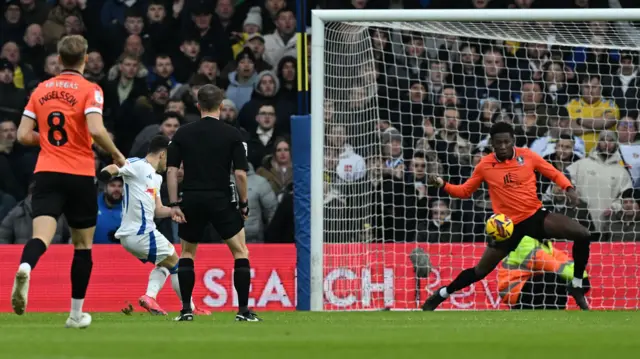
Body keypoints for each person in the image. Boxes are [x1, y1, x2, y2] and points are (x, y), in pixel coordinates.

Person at [11, 35, 125, 328]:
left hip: (47, 172)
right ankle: (75, 315)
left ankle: (26, 266)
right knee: (83, 246)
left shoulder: (41, 90)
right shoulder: (91, 90)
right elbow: (97, 130)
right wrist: (116, 154)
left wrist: (48, 140)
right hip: (80, 173)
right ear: (85, 59)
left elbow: (23, 135)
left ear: (59, 60)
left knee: (41, 236)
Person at [423, 122, 592, 311]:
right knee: (480, 271)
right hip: (507, 227)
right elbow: (464, 191)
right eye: (498, 143)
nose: (503, 147)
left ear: (513, 141)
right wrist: (442, 184)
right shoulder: (485, 165)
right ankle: (442, 294)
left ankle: (577, 285)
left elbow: (553, 173)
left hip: (534, 216)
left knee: (583, 234)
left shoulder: (527, 156)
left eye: (506, 142)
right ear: (492, 144)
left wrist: (569, 189)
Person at [167, 84, 260, 322]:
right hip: (220, 198)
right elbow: (240, 174)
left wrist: (175, 203)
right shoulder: (232, 134)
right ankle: (243, 311)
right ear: (221, 105)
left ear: (198, 106)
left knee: (187, 253)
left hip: (192, 197)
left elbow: (171, 171)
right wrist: (243, 203)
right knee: (240, 252)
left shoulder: (182, 133)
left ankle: (186, 310)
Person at [99, 135, 211, 317]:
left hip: (138, 234)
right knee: (177, 263)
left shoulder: (156, 178)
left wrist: (175, 211)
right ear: (162, 154)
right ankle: (189, 308)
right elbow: (114, 168)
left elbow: (157, 210)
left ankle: (151, 297)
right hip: (140, 232)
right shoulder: (137, 165)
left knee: (166, 263)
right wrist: (105, 173)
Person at [498, 236, 590, 310]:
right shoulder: (524, 242)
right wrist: (580, 279)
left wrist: (582, 276)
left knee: (557, 278)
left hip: (528, 286)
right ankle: (552, 315)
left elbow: (567, 262)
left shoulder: (545, 244)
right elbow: (553, 266)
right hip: (513, 289)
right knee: (552, 278)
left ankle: (556, 314)